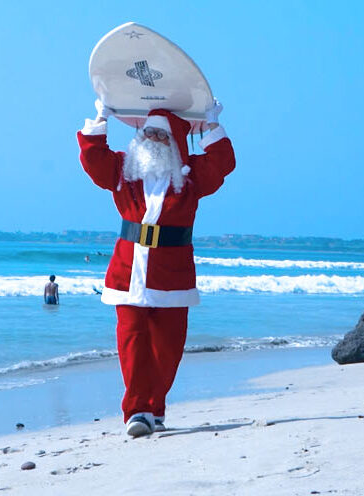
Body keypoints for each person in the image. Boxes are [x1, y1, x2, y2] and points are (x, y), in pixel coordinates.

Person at [78, 98, 234, 437]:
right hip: (128, 271)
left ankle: (154, 405)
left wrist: (210, 125)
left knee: (168, 348)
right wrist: (100, 118)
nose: (153, 140)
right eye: (148, 133)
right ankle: (137, 410)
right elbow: (92, 160)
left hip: (172, 275)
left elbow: (223, 163)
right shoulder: (122, 171)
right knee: (132, 342)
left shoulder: (191, 178)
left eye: (162, 136)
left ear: (176, 143)